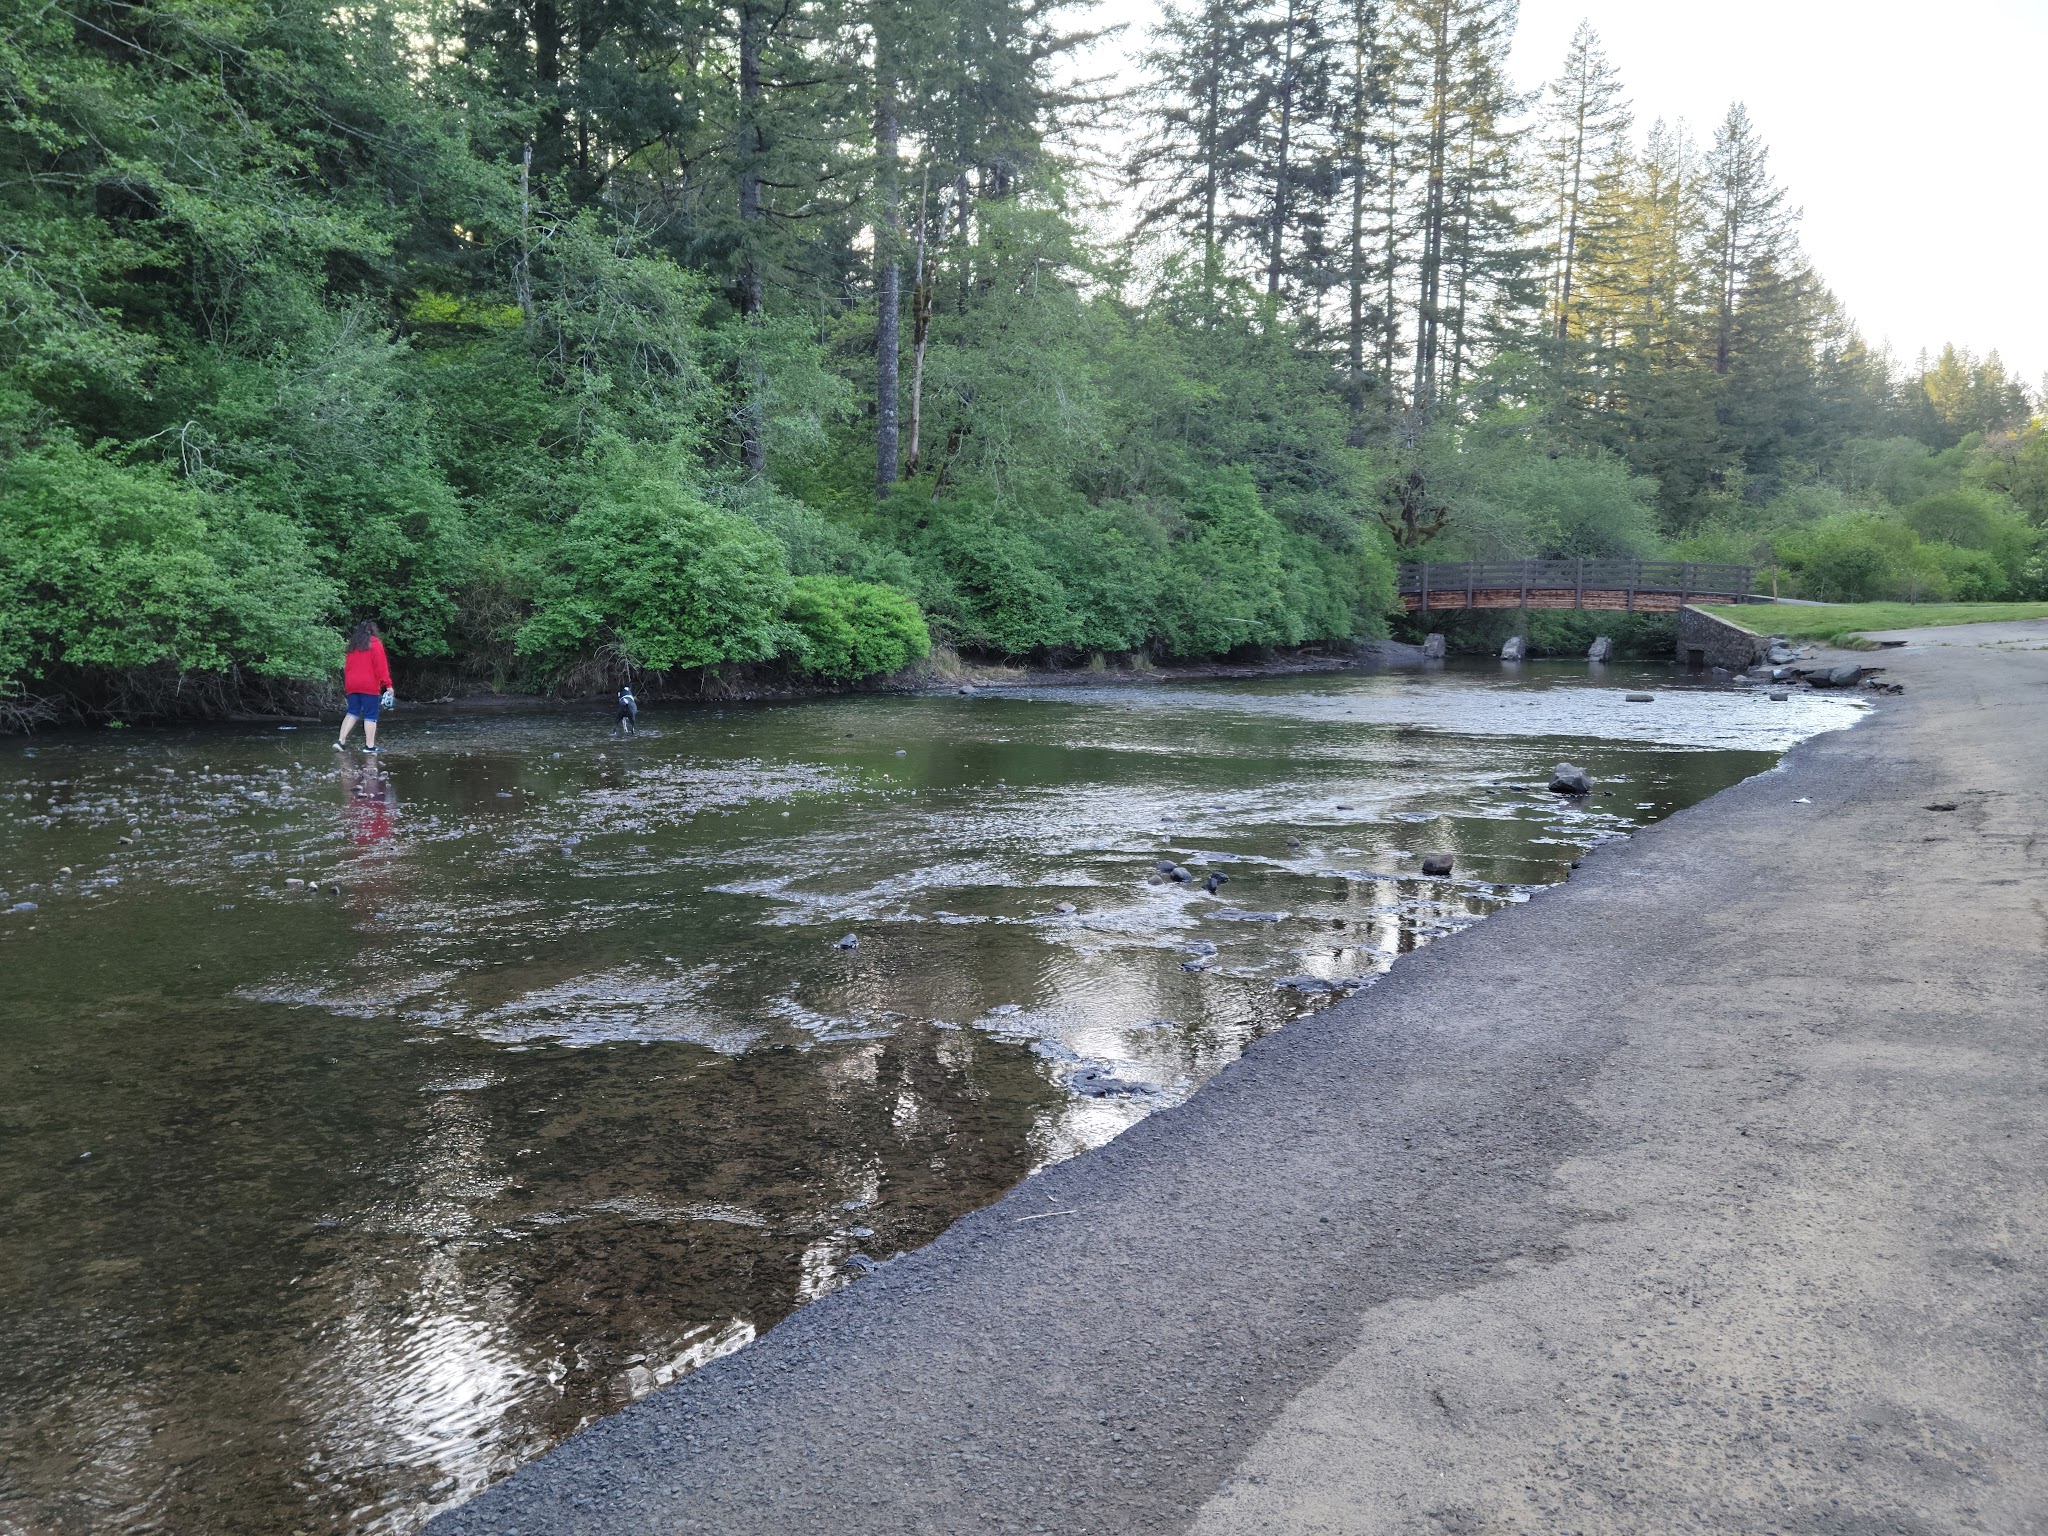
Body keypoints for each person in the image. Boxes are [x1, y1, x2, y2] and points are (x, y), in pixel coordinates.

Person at [336, 620, 395, 753]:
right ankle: (369, 746)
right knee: (371, 715)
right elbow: (381, 667)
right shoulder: (374, 644)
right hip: (369, 684)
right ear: (373, 631)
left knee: (352, 712)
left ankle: (341, 741)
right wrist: (388, 684)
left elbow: (347, 667)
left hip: (352, 684)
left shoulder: (352, 646)